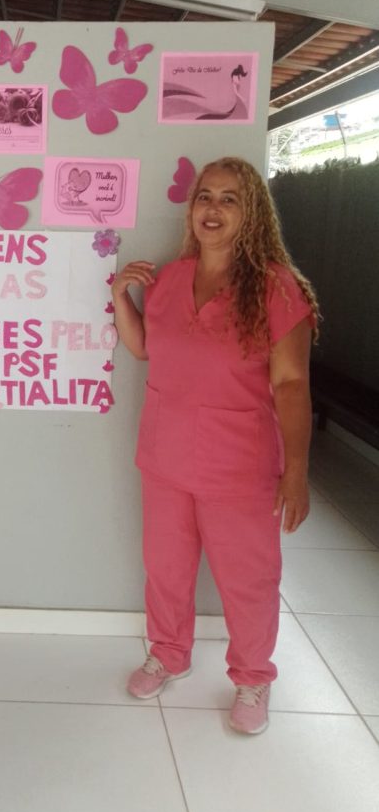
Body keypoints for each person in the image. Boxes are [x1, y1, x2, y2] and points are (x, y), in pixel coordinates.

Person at [112, 156, 319, 735]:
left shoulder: (278, 289)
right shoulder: (171, 279)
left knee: (248, 577)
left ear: (251, 212)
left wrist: (298, 470)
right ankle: (169, 653)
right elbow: (144, 349)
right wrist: (119, 294)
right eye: (206, 196)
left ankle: (253, 677)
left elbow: (291, 383)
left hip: (241, 464)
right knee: (166, 568)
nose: (213, 208)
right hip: (165, 456)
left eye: (229, 199)